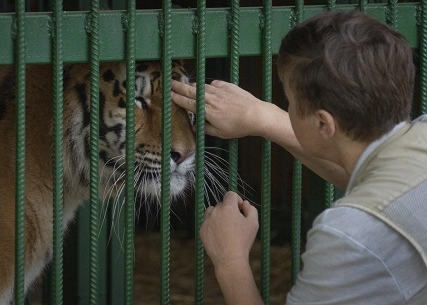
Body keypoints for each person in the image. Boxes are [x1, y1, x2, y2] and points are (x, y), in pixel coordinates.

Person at [171, 10, 427, 305]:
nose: (285, 109)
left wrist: (230, 260)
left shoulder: (348, 233)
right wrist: (260, 117)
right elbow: (379, 182)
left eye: (289, 102)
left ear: (323, 124)